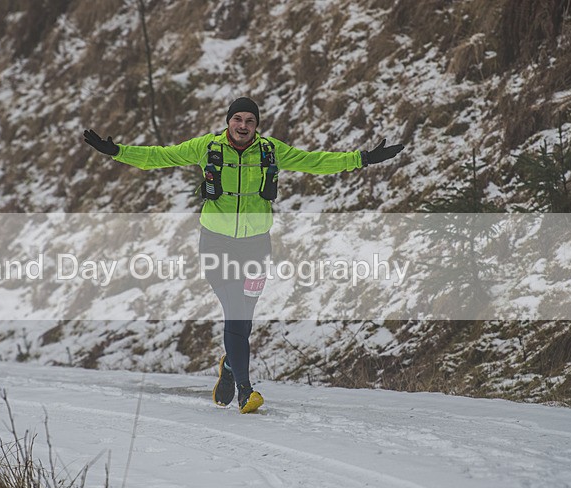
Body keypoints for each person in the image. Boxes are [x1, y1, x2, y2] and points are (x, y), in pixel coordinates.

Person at [83, 97, 403, 413]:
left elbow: (315, 161)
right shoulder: (207, 147)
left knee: (244, 320)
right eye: (238, 119)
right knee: (235, 313)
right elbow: (160, 156)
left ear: (257, 125)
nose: (243, 126)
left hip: (256, 247)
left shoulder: (270, 150)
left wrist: (363, 158)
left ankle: (230, 367)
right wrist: (118, 151)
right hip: (216, 244)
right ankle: (246, 391)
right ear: (228, 121)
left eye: (250, 121)